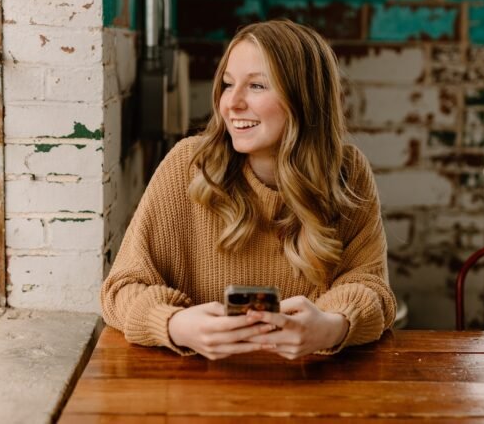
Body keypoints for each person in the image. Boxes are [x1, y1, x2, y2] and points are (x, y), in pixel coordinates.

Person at [101, 19, 396, 360]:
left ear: (304, 98)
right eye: (228, 84)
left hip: (311, 389)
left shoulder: (347, 171)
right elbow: (121, 289)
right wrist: (176, 324)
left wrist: (332, 326)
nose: (232, 103)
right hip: (197, 390)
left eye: (256, 86)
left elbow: (373, 289)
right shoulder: (187, 165)